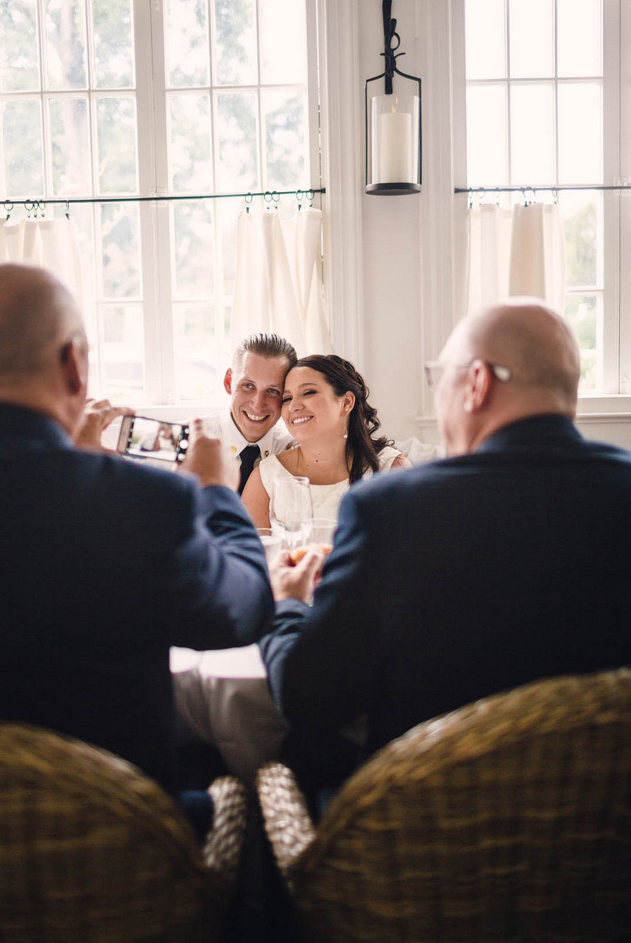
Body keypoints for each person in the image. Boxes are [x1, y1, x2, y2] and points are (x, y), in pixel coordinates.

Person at [0, 263, 274, 836]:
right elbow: (242, 613)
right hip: (114, 850)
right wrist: (215, 489)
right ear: (74, 362)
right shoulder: (141, 503)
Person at [261, 301, 631, 801]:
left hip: (425, 827)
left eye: (441, 381)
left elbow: (311, 701)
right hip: (602, 819)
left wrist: (285, 605)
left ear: (476, 384)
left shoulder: (391, 508)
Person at [242, 353, 410, 527]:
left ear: (346, 403)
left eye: (308, 392)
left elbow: (412, 549)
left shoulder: (390, 469)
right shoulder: (266, 478)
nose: (293, 406)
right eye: (287, 398)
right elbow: (248, 552)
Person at [204, 333, 297, 494]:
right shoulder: (188, 442)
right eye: (248, 386)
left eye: (273, 391)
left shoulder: (292, 450)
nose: (258, 404)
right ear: (228, 382)